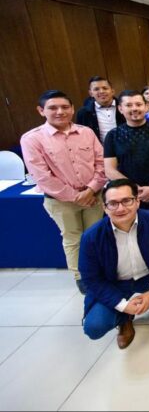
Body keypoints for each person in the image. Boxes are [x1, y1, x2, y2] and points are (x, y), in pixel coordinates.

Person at [21, 90, 107, 294]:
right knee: (73, 237)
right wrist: (76, 196)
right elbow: (42, 176)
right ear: (41, 111)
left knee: (95, 236)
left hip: (93, 195)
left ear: (72, 109)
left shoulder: (86, 132)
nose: (60, 112)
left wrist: (91, 189)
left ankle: (99, 272)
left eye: (65, 107)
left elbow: (101, 163)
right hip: (61, 201)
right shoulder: (32, 139)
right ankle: (82, 276)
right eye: (53, 108)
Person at [78, 179, 149, 349]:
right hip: (116, 285)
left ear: (137, 201)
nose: (121, 208)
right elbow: (91, 280)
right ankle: (124, 320)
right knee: (94, 327)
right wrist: (123, 306)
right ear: (104, 207)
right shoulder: (91, 237)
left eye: (127, 201)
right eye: (113, 203)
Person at [104, 90, 149, 226]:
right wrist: (133, 189)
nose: (134, 109)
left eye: (138, 104)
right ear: (120, 108)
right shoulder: (112, 136)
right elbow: (109, 169)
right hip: (129, 197)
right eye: (129, 105)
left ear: (146, 107)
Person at [75, 76, 124, 143]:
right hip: (99, 151)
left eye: (105, 88)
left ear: (112, 91)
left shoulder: (124, 107)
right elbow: (80, 136)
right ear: (91, 93)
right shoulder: (84, 113)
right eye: (96, 89)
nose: (101, 91)